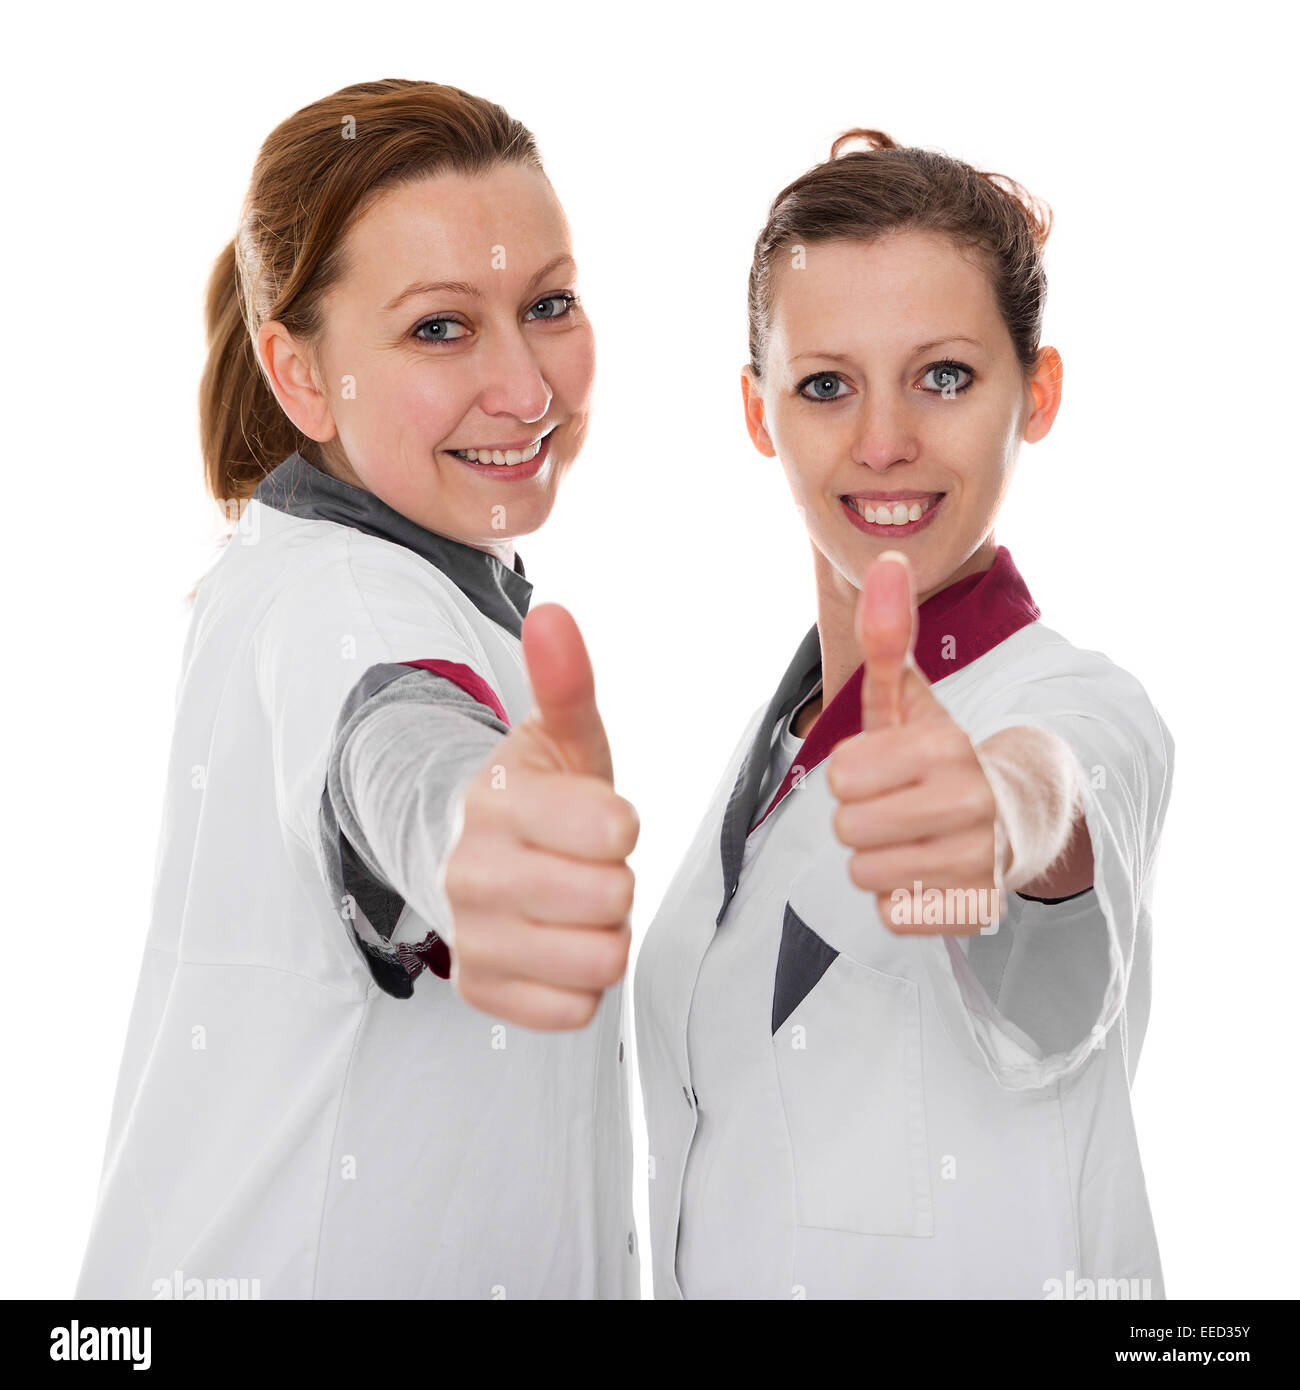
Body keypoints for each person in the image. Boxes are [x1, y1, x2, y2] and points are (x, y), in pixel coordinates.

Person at [75, 78, 640, 1301]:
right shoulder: (341, 598)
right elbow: (398, 746)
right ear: (298, 373)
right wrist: (481, 832)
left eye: (547, 304)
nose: (526, 389)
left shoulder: (363, 575)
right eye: (440, 327)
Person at [633, 129, 1174, 1300]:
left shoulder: (1076, 706)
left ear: (1039, 393)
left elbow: (1058, 793)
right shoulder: (772, 752)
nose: (883, 442)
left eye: (943, 375)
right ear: (756, 410)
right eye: (825, 384)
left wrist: (1000, 816)